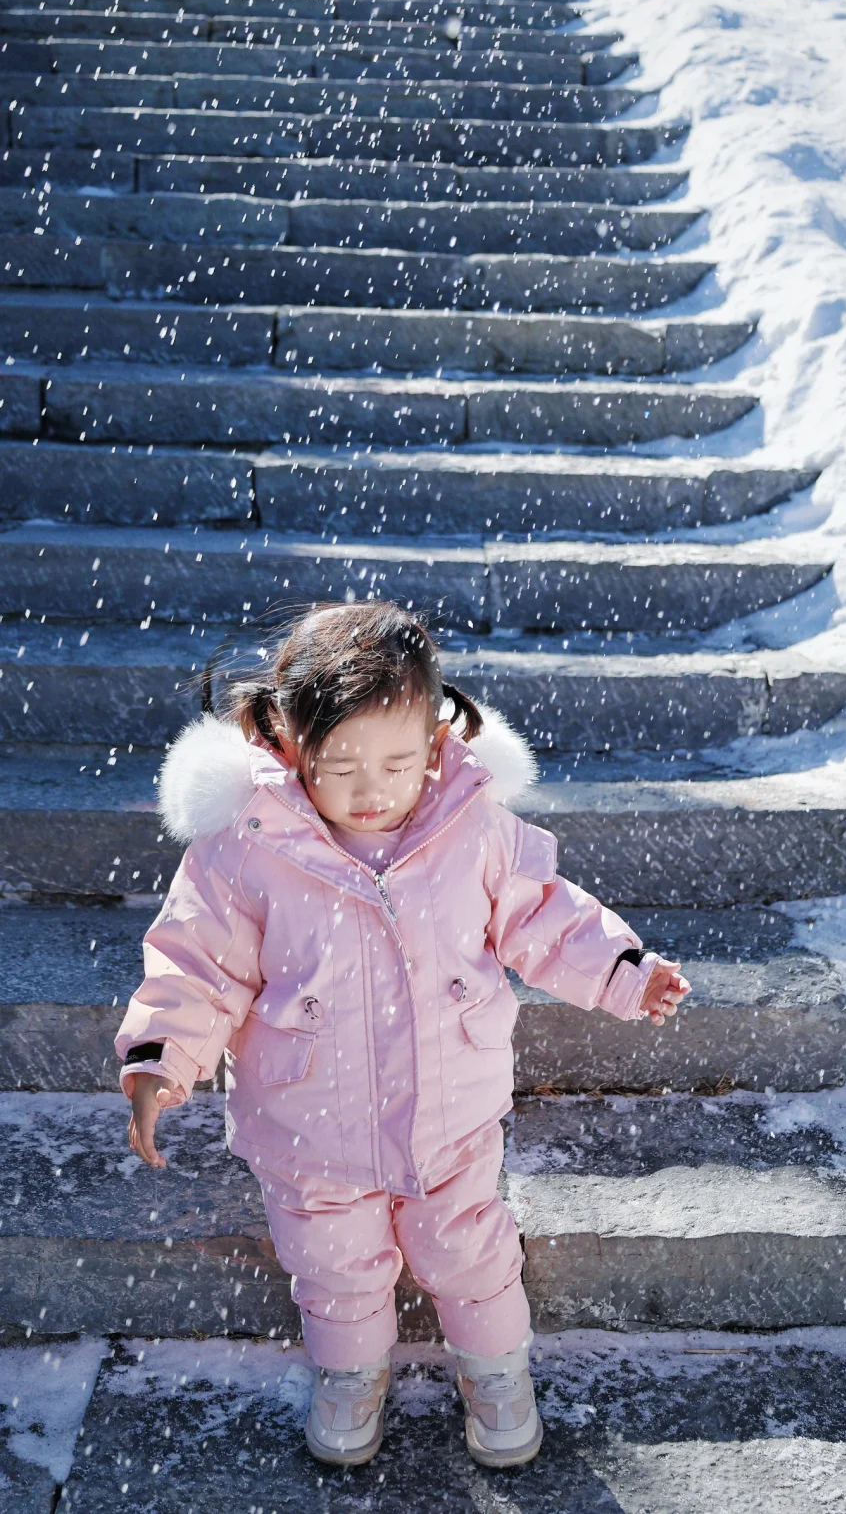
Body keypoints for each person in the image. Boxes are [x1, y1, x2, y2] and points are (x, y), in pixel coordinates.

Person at [116, 599, 689, 1470]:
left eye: (395, 762)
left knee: (470, 1247)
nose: (371, 789)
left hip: (448, 1110)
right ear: (290, 746)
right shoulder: (247, 848)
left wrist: (623, 969)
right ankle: (351, 1373)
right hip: (311, 1121)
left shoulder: (473, 828)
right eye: (341, 765)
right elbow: (197, 964)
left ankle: (496, 1369)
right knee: (333, 1261)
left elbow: (546, 914)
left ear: (434, 742)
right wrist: (161, 1058)